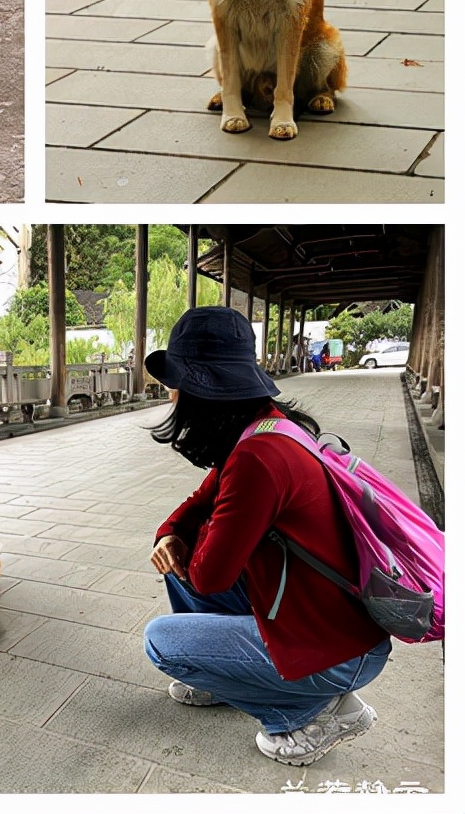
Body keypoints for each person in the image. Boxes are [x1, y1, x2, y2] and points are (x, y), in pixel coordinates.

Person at [141, 306, 391, 766]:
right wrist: (170, 533)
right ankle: (221, 675)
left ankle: (313, 712)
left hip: (339, 649)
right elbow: (198, 502)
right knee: (176, 564)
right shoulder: (267, 423)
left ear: (202, 388)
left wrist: (205, 530)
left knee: (161, 640)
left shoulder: (257, 459)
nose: (171, 394)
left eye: (176, 382)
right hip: (319, 615)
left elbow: (211, 576)